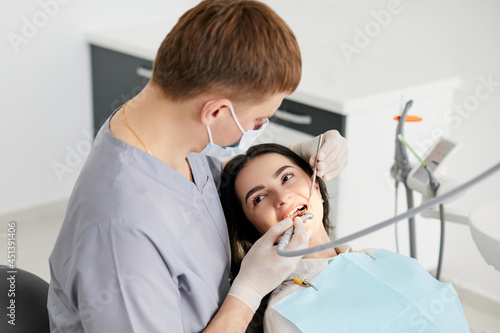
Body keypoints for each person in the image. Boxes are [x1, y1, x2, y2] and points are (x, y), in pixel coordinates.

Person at [47, 1, 348, 332]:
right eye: (258, 120)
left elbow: (197, 183)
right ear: (216, 112)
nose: (258, 129)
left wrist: (294, 152)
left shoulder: (159, 125)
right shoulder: (123, 235)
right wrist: (247, 292)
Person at [220, 143, 470, 332]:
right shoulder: (285, 310)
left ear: (315, 185)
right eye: (259, 198)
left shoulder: (378, 256)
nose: (282, 197)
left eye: (287, 177)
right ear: (254, 229)